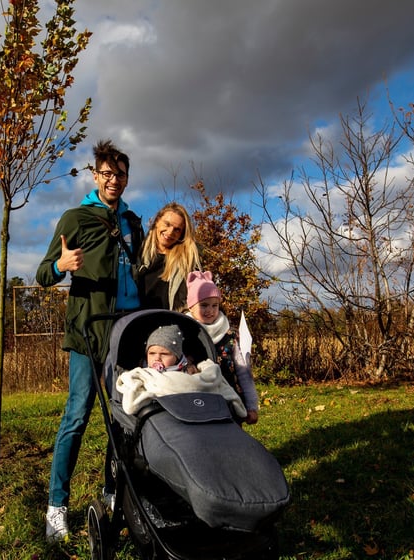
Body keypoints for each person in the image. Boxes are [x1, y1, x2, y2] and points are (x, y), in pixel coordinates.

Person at [36, 139, 144, 543]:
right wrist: (61, 265)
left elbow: (145, 272)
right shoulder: (76, 218)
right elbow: (44, 273)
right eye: (106, 173)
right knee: (77, 417)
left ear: (127, 178)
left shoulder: (134, 222)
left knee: (125, 419)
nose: (113, 179)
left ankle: (114, 492)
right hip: (87, 333)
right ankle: (56, 506)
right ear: (95, 176)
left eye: (120, 173)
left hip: (127, 333)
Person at [116, 324, 247, 417]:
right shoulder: (143, 372)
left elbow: (195, 383)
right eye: (152, 353)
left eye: (165, 354)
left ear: (177, 356)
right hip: (161, 415)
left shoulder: (188, 370)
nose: (157, 358)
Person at [185, 271, 259, 425]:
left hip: (229, 400)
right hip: (199, 399)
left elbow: (243, 370)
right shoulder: (186, 334)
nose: (210, 310)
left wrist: (252, 405)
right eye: (204, 305)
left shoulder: (229, 334)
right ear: (191, 307)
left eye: (215, 305)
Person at [138, 202, 201, 312]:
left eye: (177, 229)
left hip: (171, 323)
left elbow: (200, 295)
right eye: (167, 224)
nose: (170, 232)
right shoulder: (138, 252)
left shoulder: (187, 261)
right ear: (157, 221)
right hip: (136, 321)